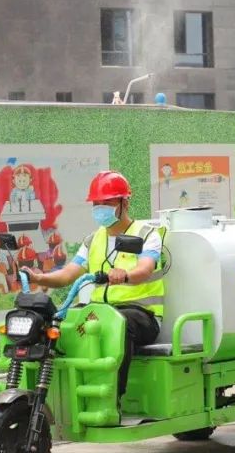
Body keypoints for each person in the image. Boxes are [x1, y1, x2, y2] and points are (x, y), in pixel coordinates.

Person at [21, 170, 165, 402]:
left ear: (124, 202)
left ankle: (113, 397)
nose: (101, 208)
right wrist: (39, 278)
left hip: (142, 315)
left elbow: (144, 269)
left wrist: (124, 275)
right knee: (60, 322)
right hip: (100, 313)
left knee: (118, 325)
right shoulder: (93, 239)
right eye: (96, 203)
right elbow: (68, 274)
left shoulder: (147, 234)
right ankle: (61, 393)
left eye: (107, 202)